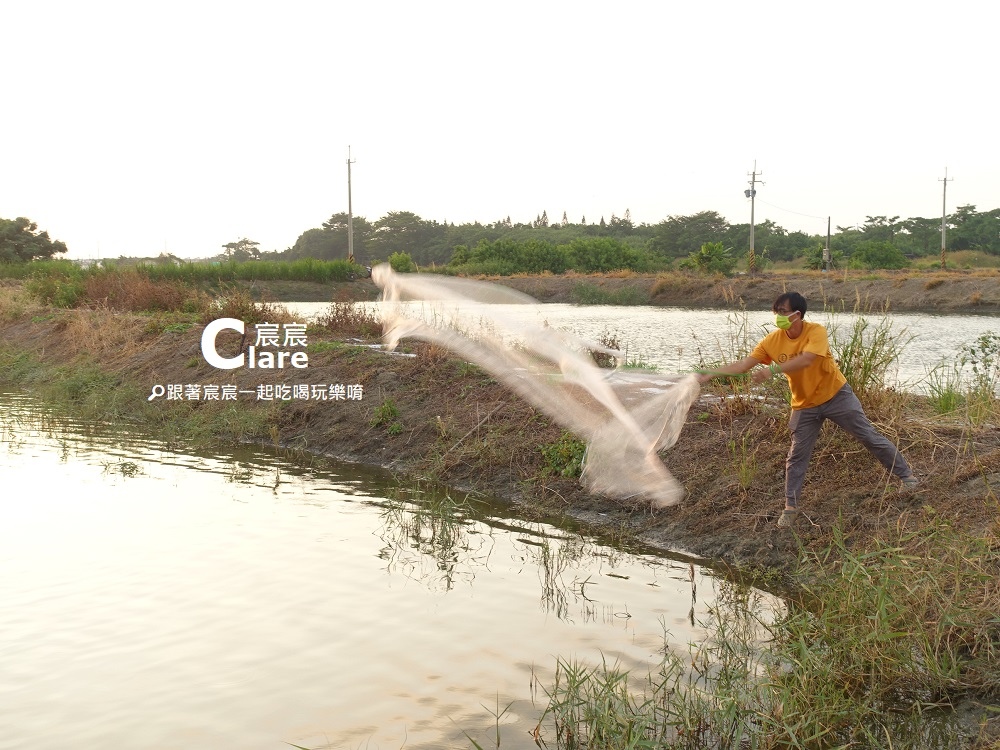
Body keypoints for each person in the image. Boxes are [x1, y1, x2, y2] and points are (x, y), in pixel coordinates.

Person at [697, 292, 918, 528]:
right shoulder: (771, 341)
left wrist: (772, 371)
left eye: (782, 312)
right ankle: (790, 508)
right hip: (804, 405)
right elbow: (744, 364)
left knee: (868, 436)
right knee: (796, 456)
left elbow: (808, 359)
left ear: (797, 314)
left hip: (836, 396)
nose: (778, 316)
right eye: (776, 312)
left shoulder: (816, 332)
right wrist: (711, 374)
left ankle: (908, 478)